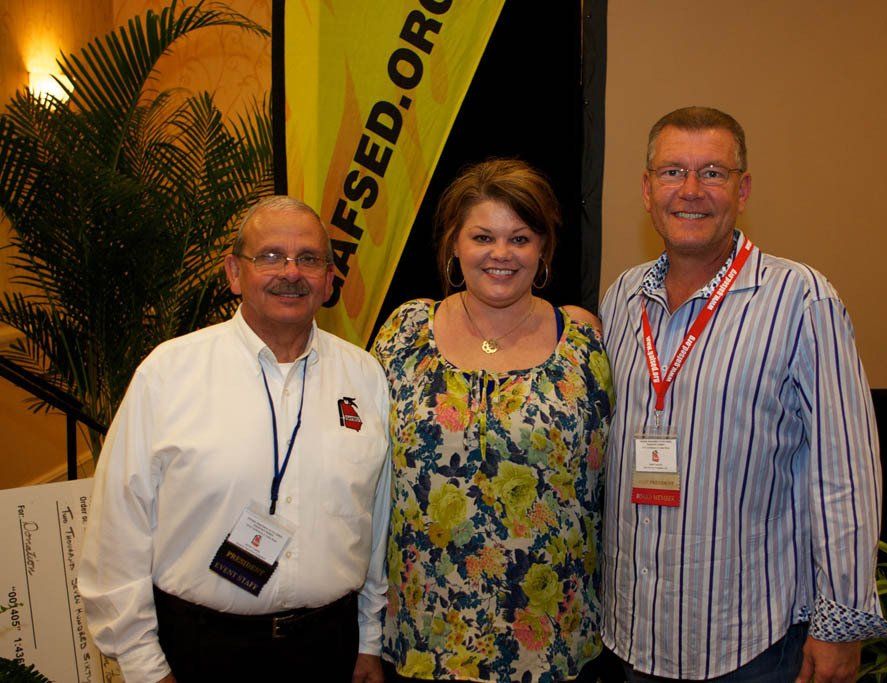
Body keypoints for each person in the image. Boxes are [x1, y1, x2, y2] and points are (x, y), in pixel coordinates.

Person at [599, 107, 887, 682]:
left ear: (743, 188)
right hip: (634, 635)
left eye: (713, 173)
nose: (690, 191)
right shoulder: (621, 298)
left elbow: (845, 475)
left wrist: (842, 625)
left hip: (750, 642)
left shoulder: (803, 299)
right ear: (646, 188)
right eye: (672, 172)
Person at [79, 196, 391, 683]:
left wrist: (369, 639)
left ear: (329, 279)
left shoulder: (365, 376)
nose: (291, 272)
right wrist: (143, 666)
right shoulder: (168, 373)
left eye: (309, 259)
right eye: (269, 256)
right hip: (201, 652)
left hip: (329, 648)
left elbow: (375, 520)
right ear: (233, 271)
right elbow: (117, 528)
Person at [371, 159, 613, 682]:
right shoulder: (404, 333)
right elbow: (364, 477)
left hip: (553, 643)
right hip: (424, 637)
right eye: (483, 236)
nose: (501, 254)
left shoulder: (582, 339)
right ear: (454, 245)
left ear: (543, 248)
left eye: (521, 238)